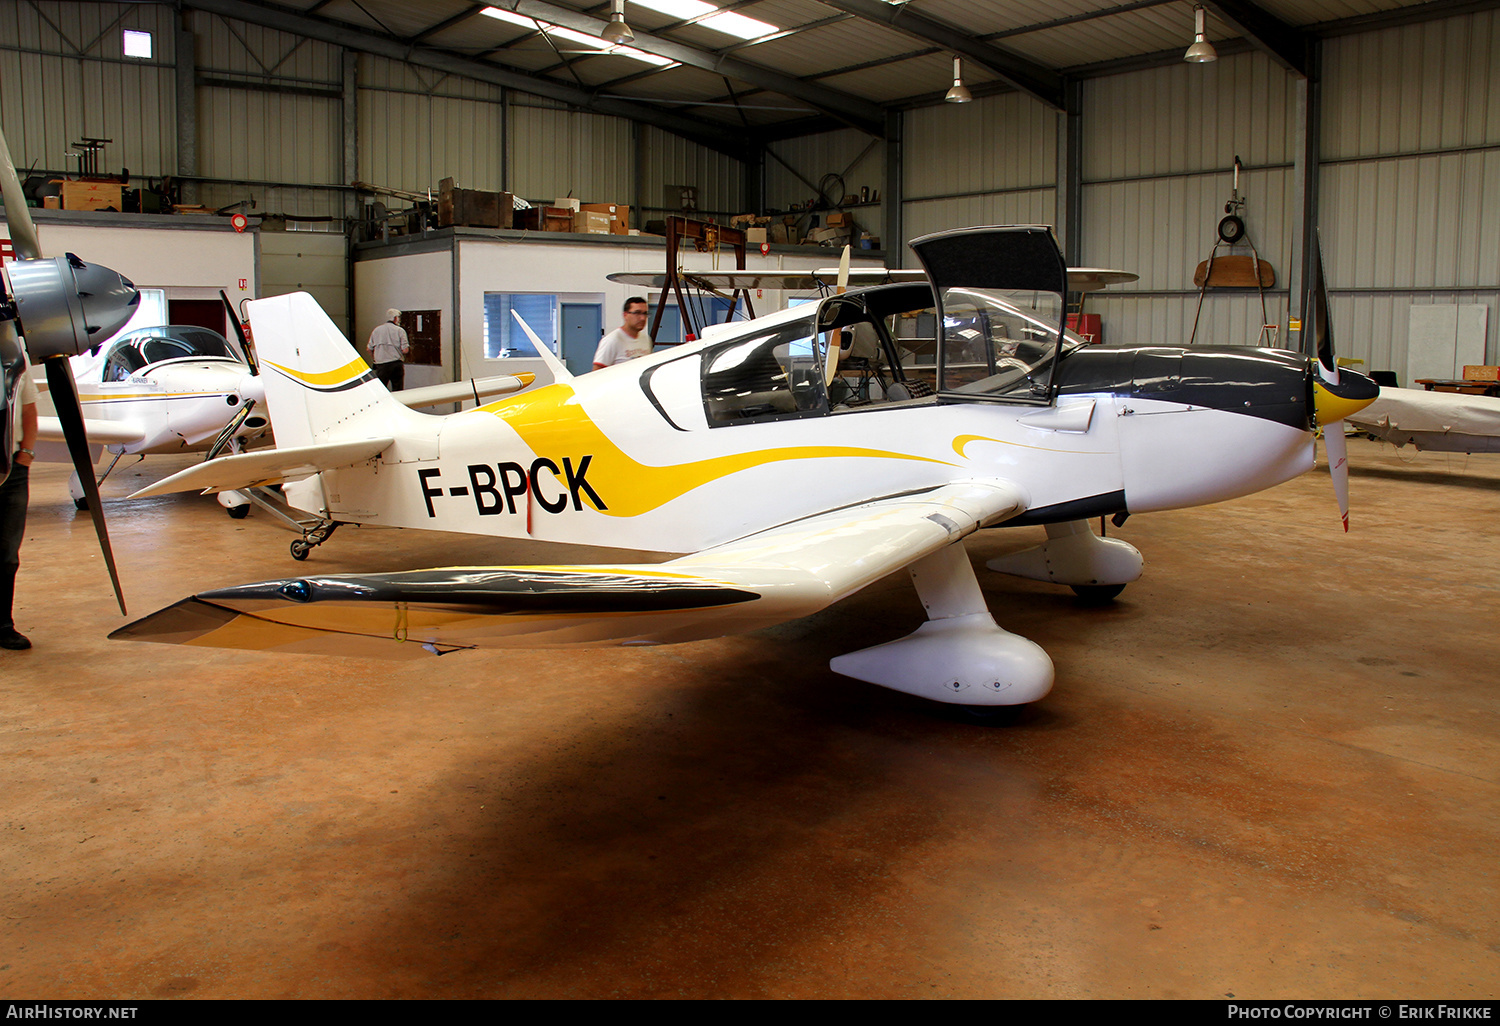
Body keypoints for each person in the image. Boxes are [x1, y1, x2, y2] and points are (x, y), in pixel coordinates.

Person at [1, 354, 38, 651]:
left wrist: (25, 455)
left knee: (7, 554)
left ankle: (3, 625)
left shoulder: (14, 358)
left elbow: (28, 410)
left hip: (11, 468)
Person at [593, 297, 652, 369]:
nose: (642, 318)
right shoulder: (612, 340)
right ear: (625, 315)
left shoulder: (646, 339)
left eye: (645, 313)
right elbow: (596, 373)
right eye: (637, 313)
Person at [367, 308, 410, 391]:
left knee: (381, 390)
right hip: (396, 364)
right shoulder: (400, 330)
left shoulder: (376, 330)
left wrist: (376, 358)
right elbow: (405, 350)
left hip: (381, 365)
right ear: (395, 318)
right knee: (398, 390)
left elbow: (369, 349)